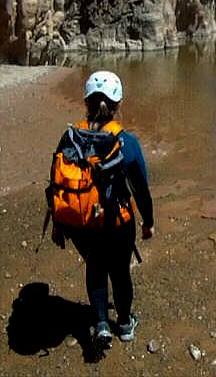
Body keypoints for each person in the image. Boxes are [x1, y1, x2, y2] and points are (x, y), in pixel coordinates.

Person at [51, 70, 154, 347]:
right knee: (120, 273)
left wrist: (60, 226)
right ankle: (123, 324)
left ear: (86, 102)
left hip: (82, 223)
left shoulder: (70, 136)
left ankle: (100, 325)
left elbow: (57, 182)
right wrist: (148, 222)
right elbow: (140, 189)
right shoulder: (126, 141)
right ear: (118, 104)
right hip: (118, 223)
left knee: (95, 268)